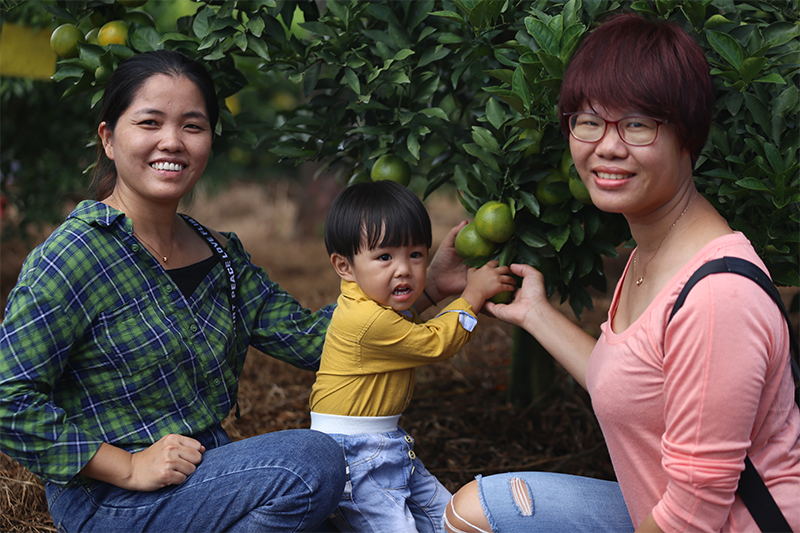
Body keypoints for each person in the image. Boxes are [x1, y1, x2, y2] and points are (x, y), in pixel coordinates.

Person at [0, 49, 470, 533]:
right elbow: (7, 398)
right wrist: (127, 466)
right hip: (112, 499)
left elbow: (320, 342)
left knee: (339, 510)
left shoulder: (219, 254)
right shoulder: (74, 257)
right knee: (317, 460)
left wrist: (425, 287)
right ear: (109, 139)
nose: (172, 141)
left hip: (206, 475)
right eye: (149, 122)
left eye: (192, 126)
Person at [444, 13, 800, 533]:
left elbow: (691, 518)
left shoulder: (718, 297)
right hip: (658, 513)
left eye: (636, 124)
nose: (607, 146)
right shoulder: (652, 252)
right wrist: (538, 315)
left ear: (688, 136)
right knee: (472, 511)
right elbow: (633, 383)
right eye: (588, 121)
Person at [309, 181, 515, 532]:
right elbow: (435, 342)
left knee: (452, 517)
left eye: (416, 254)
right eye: (385, 257)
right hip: (353, 455)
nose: (404, 269)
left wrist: (434, 285)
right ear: (344, 266)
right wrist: (472, 296)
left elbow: (403, 320)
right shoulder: (366, 319)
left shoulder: (372, 306)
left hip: (383, 444)